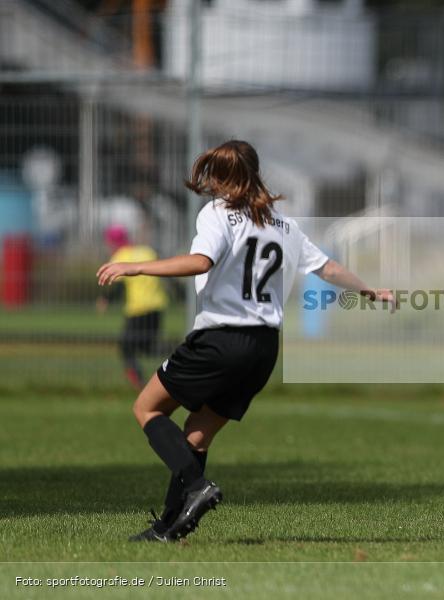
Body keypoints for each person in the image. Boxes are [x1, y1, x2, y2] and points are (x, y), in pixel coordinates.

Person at [97, 140, 393, 542]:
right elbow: (329, 267)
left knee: (147, 409)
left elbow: (201, 262)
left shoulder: (218, 214)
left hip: (222, 338)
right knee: (197, 434)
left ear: (221, 178)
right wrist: (371, 290)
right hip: (264, 349)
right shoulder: (283, 224)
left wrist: (136, 267)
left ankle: (196, 488)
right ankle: (170, 528)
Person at [97, 225, 168, 391]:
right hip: (157, 306)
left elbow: (119, 286)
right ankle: (176, 350)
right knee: (148, 346)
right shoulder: (147, 252)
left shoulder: (121, 256)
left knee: (126, 347)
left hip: (138, 309)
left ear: (113, 243)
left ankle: (140, 382)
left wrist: (105, 299)